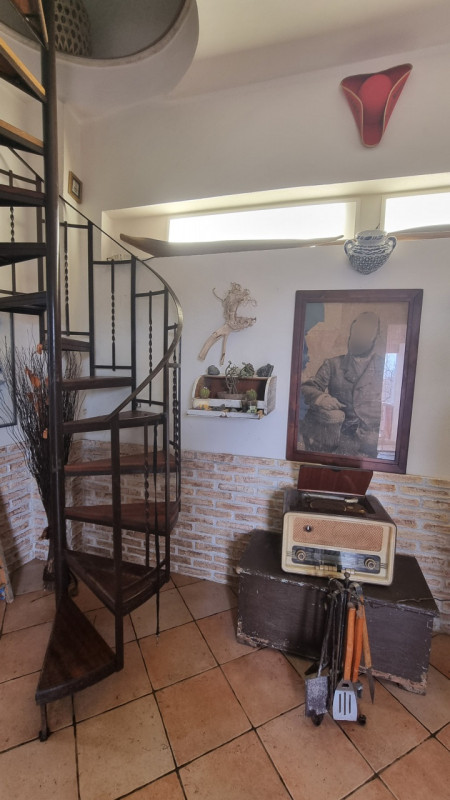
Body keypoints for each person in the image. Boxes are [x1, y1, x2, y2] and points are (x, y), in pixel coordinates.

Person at [301, 311, 384, 457]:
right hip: (341, 440)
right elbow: (307, 388)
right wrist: (322, 398)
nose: (357, 338)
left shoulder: (387, 367)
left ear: (375, 338)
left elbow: (396, 410)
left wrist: (380, 438)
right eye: (355, 333)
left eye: (364, 334)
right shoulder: (333, 365)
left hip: (374, 444)